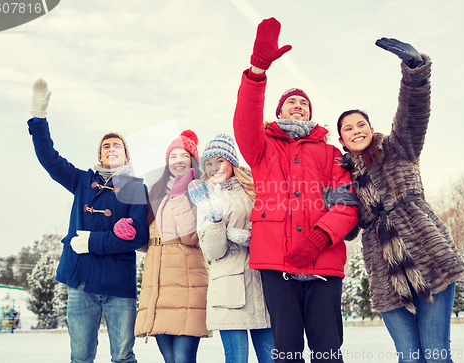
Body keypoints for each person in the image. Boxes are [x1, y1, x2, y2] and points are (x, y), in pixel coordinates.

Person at [232, 18, 359, 363]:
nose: (298, 106)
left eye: (303, 103)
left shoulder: (332, 153)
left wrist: (319, 239)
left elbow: (346, 204)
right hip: (277, 263)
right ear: (278, 111)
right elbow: (245, 120)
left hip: (324, 262)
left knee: (327, 350)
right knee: (285, 351)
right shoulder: (261, 147)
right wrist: (257, 72)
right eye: (291, 102)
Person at [337, 38, 464, 363]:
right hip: (385, 272)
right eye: (348, 128)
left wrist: (415, 72)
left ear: (371, 128)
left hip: (428, 257)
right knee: (410, 357)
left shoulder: (398, 149)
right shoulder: (340, 177)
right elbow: (346, 228)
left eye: (361, 124)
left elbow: (413, 113)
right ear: (341, 139)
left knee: (436, 355)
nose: (356, 130)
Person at [27, 79, 149, 363]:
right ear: (100, 154)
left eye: (117, 145)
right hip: (81, 283)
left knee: (123, 357)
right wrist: (39, 117)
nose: (111, 149)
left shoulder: (134, 187)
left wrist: (93, 241)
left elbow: (140, 236)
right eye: (106, 146)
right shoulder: (82, 180)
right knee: (80, 357)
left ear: (126, 155)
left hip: (119, 286)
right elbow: (49, 159)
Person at [188, 134, 275, 363]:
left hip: (263, 286)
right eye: (209, 162)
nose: (215, 167)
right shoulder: (205, 198)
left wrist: (253, 237)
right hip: (229, 291)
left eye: (221, 160)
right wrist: (217, 221)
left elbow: (272, 229)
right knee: (237, 359)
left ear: (232, 162)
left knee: (272, 358)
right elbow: (212, 252)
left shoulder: (254, 190)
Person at [134, 130, 210, 363]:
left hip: (188, 281)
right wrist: (130, 232)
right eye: (173, 156)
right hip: (156, 283)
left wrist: (179, 195)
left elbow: (190, 236)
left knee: (183, 358)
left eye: (184, 155)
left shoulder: (200, 188)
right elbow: (149, 240)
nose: (178, 160)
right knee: (169, 359)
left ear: (192, 161)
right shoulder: (155, 191)